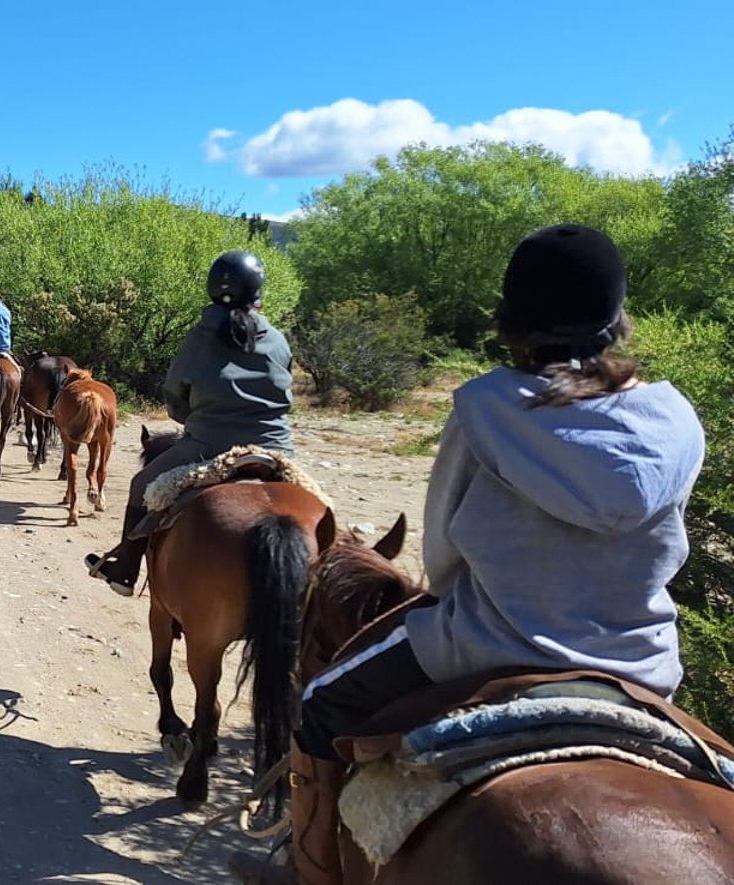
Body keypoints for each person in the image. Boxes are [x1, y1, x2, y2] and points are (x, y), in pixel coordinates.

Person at [267, 224, 707, 885]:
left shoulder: (486, 407)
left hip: (484, 643)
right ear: (617, 319)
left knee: (323, 701)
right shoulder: (675, 418)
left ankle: (311, 870)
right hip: (639, 658)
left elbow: (443, 556)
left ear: (513, 319)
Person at [87, 250, 294, 597]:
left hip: (208, 445)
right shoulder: (277, 338)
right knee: (322, 509)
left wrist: (191, 418)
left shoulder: (201, 336)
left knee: (142, 485)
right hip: (276, 448)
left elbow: (175, 391)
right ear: (257, 292)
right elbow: (286, 388)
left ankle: (124, 571)